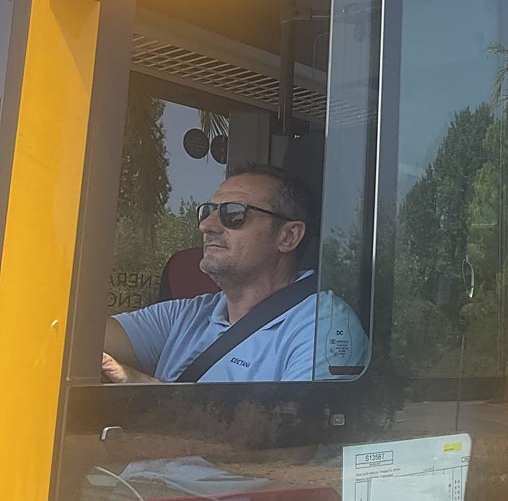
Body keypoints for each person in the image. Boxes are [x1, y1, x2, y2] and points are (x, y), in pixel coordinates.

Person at [102, 164, 367, 383]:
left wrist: (144, 390)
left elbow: (293, 443)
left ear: (288, 236)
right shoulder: (186, 316)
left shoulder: (324, 327)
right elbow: (77, 339)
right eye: (207, 212)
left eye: (233, 213)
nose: (206, 225)